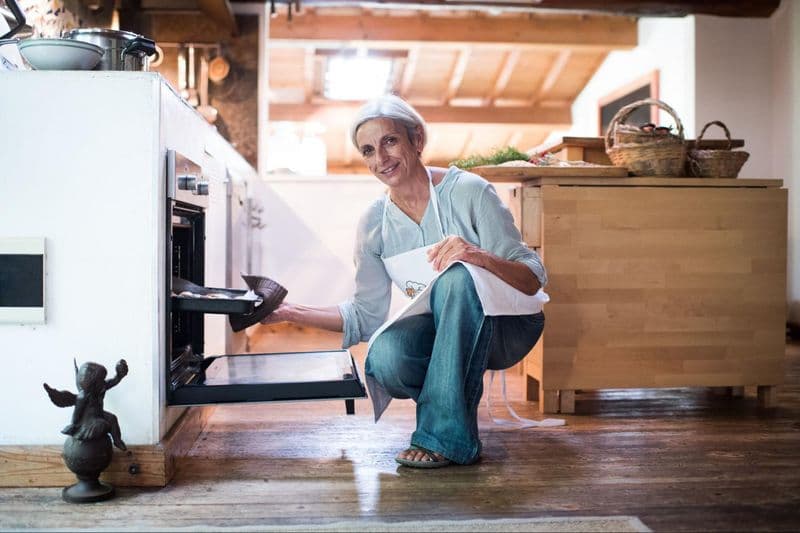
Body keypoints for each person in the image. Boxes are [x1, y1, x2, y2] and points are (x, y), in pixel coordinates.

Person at [262, 94, 548, 468]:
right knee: (385, 358)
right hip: (445, 333)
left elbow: (532, 277)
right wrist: (288, 312)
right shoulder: (375, 224)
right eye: (368, 150)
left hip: (506, 327)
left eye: (390, 141)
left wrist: (476, 255)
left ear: (417, 140)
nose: (380, 159)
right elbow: (365, 316)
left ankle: (443, 439)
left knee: (458, 277)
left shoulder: (469, 191)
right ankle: (450, 419)